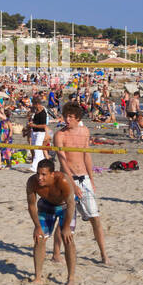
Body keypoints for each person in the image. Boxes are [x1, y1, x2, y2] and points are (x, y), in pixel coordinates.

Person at [53, 102, 110, 266]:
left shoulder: (84, 131)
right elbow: (63, 162)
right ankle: (56, 254)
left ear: (78, 118)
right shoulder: (60, 135)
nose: (67, 119)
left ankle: (104, 255)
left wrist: (91, 179)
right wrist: (73, 185)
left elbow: (87, 155)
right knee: (65, 221)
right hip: (67, 179)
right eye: (66, 116)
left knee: (95, 218)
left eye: (70, 116)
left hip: (83, 177)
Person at [25, 158, 77, 285]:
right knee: (39, 238)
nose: (39, 178)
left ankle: (71, 278)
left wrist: (66, 227)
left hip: (65, 207)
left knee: (68, 239)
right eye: (38, 173)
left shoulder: (63, 180)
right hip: (46, 205)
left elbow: (71, 204)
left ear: (52, 174)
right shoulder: (32, 182)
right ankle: (37, 277)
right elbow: (31, 205)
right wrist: (37, 227)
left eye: (43, 174)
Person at [28, 94, 49, 169]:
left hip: (40, 132)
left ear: (37, 104)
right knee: (36, 149)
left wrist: (34, 125)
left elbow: (44, 125)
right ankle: (43, 164)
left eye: (34, 104)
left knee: (37, 149)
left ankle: (34, 167)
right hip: (34, 132)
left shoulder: (43, 113)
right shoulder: (35, 111)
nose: (33, 106)